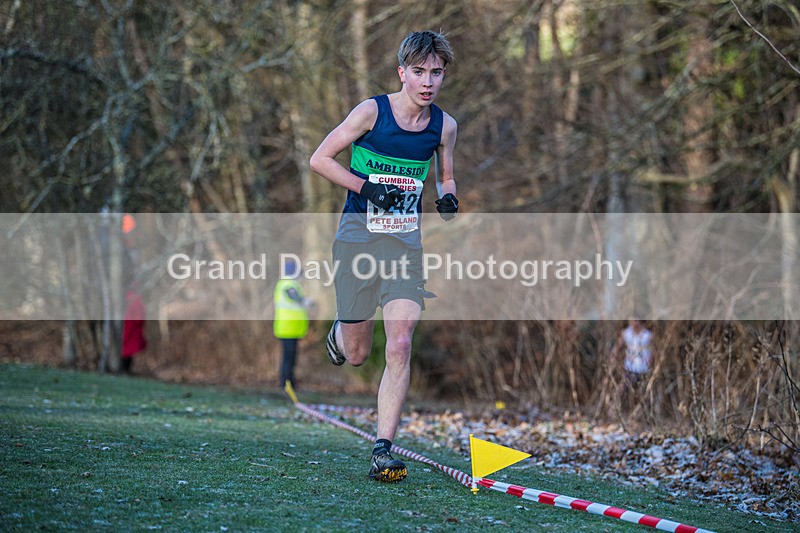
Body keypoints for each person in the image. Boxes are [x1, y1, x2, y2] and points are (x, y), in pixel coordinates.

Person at [309, 30, 459, 482]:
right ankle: (340, 332)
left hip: (404, 247)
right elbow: (320, 159)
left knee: (399, 343)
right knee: (357, 354)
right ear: (402, 73)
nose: (427, 81)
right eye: (419, 72)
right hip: (357, 240)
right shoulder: (372, 112)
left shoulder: (444, 126)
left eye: (436, 72)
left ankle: (382, 449)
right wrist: (366, 186)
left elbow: (446, 177)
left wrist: (448, 197)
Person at [273, 258, 312, 388]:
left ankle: (289, 382)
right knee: (289, 358)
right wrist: (305, 301)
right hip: (288, 327)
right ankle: (287, 383)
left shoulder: (286, 283)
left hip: (290, 327)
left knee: (290, 358)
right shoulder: (288, 284)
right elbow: (292, 295)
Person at [612, 319, 654, 388]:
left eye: (635, 320)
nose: (632, 323)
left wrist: (651, 361)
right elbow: (617, 346)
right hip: (629, 369)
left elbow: (654, 352)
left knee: (641, 391)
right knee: (622, 389)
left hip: (643, 369)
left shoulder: (648, 335)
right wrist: (613, 357)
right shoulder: (626, 333)